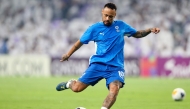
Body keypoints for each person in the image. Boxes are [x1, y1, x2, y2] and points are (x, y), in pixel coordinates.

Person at [56, 2, 160, 109]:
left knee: (114, 91)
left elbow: (138, 34)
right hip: (98, 64)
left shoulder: (121, 26)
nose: (107, 18)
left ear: (114, 15)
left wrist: (149, 30)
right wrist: (68, 54)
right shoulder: (94, 28)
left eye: (110, 16)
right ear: (102, 12)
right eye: (106, 15)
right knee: (77, 88)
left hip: (115, 67)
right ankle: (69, 84)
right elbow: (79, 43)